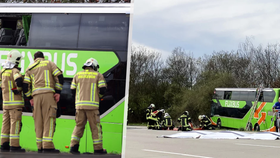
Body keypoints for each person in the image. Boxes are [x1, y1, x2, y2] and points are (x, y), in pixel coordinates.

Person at [23, 51, 64, 153]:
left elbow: (25, 86)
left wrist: (30, 98)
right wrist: (58, 92)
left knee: (38, 122)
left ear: (34, 59)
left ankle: (40, 146)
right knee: (49, 120)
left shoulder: (29, 67)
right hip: (48, 95)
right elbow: (60, 77)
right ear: (43, 57)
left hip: (36, 97)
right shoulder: (49, 63)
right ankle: (48, 146)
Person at [69, 58, 107, 155]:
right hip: (93, 107)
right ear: (94, 66)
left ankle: (73, 147)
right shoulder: (98, 75)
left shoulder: (77, 75)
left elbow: (72, 90)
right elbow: (102, 90)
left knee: (78, 126)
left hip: (79, 107)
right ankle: (98, 149)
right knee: (95, 128)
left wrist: (78, 99)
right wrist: (98, 96)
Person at [0, 50, 25, 152]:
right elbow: (18, 81)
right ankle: (14, 146)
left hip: (5, 103)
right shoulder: (14, 71)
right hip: (15, 104)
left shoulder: (3, 71)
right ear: (17, 60)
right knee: (15, 124)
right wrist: (19, 88)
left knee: (5, 124)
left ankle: (4, 144)